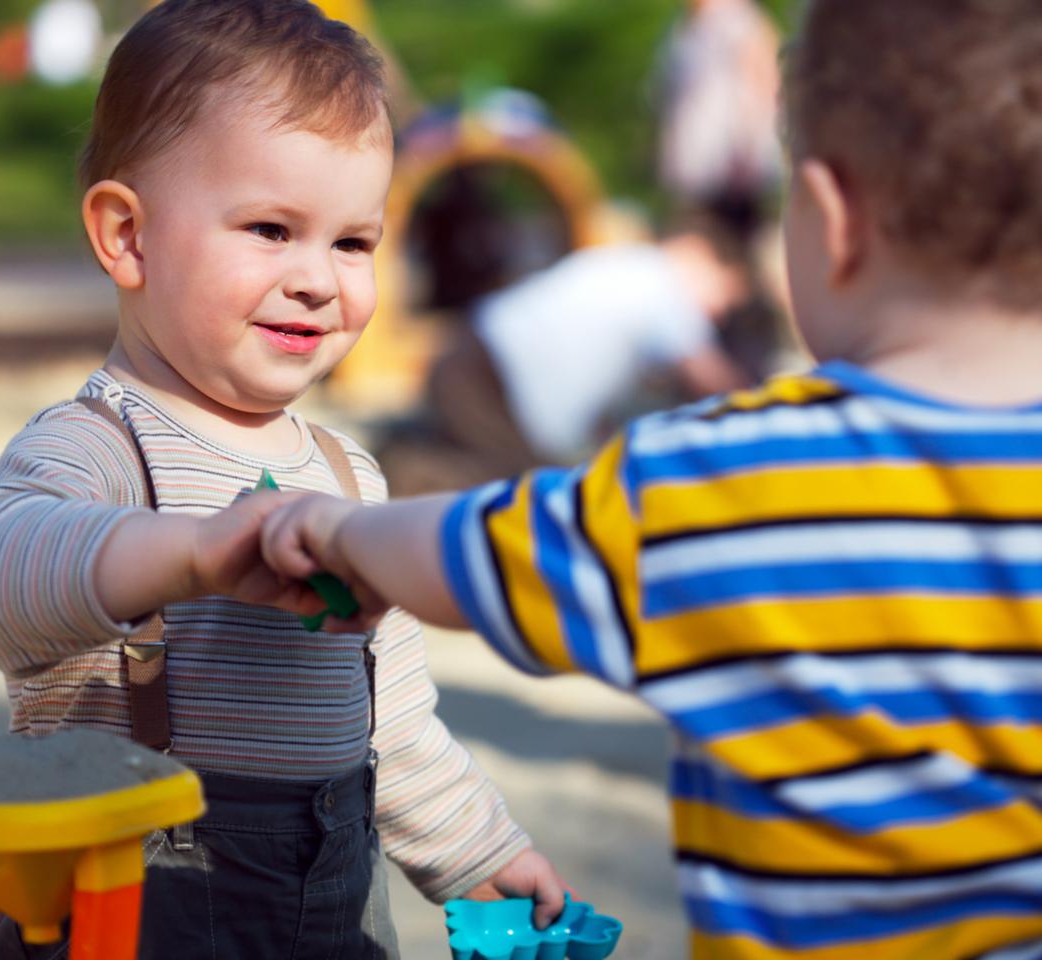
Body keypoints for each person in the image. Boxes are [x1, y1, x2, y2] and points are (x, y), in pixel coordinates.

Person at [258, 1, 1042, 956]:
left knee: (464, 472)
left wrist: (343, 534)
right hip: (491, 381)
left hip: (482, 377)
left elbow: (473, 553)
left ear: (834, 223)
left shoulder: (720, 481)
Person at [0, 2, 563, 958]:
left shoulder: (345, 474)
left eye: (353, 242)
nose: (320, 278)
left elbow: (389, 719)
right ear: (129, 237)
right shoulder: (103, 447)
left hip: (333, 898)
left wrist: (476, 850)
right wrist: (191, 553)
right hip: (142, 900)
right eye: (273, 229)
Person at [380, 223, 752, 495]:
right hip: (493, 377)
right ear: (699, 253)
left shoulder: (630, 268)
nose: (717, 316)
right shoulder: (664, 281)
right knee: (505, 491)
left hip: (482, 359)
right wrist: (760, 406)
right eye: (724, 296)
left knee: (515, 484)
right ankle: (390, 481)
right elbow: (707, 375)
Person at [656, 0, 781, 240]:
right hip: (700, 174)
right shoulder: (688, 24)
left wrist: (756, 144)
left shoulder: (737, 18)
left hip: (733, 169)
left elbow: (766, 81)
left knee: (734, 244)